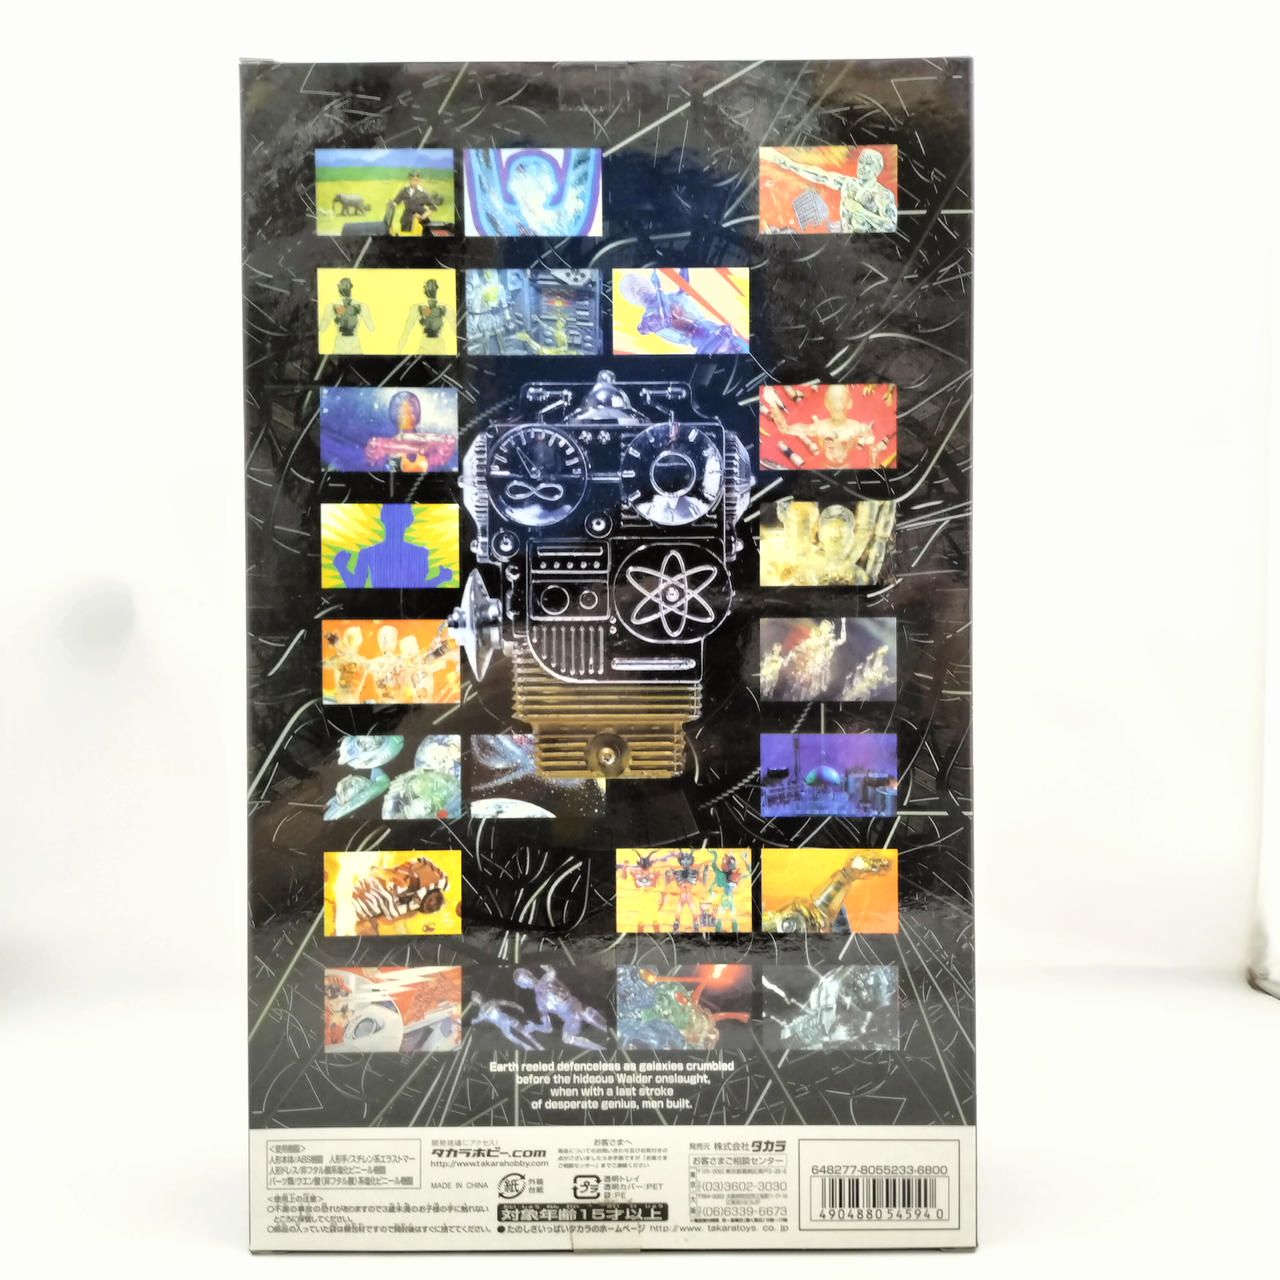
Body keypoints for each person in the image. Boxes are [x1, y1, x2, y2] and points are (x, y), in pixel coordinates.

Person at [762, 146, 898, 233]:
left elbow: (891, 225)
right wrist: (788, 164)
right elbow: (821, 176)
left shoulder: (883, 194)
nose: (862, 166)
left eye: (868, 164)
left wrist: (862, 211)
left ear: (877, 170)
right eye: (861, 162)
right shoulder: (847, 183)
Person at [618, 271, 748, 354]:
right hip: (711, 345)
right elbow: (643, 329)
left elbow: (683, 287)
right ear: (632, 298)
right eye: (633, 290)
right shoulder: (648, 319)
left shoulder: (675, 297)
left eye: (639, 284)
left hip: (725, 337)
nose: (639, 289)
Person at [331, 504, 453, 589]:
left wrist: (341, 567)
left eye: (397, 519)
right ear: (408, 520)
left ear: (383, 518)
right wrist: (441, 578)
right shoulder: (420, 553)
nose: (395, 524)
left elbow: (356, 585)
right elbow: (421, 587)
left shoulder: (368, 553)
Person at [319, 277, 373, 354]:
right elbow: (371, 328)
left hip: (340, 343)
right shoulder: (361, 306)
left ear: (339, 290)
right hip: (354, 343)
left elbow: (322, 328)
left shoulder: (331, 306)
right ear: (351, 289)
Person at [398, 277, 451, 354]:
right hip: (426, 345)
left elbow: (406, 332)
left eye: (432, 286)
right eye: (428, 286)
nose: (431, 289)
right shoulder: (418, 308)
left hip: (438, 346)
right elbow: (406, 331)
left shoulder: (443, 308)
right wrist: (398, 352)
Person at [388, 169, 442, 236]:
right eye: (411, 180)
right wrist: (391, 204)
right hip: (406, 219)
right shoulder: (404, 191)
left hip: (419, 222)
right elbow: (395, 202)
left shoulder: (423, 193)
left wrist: (422, 217)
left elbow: (433, 207)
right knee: (405, 236)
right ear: (409, 180)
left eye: (416, 180)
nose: (414, 182)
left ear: (419, 180)